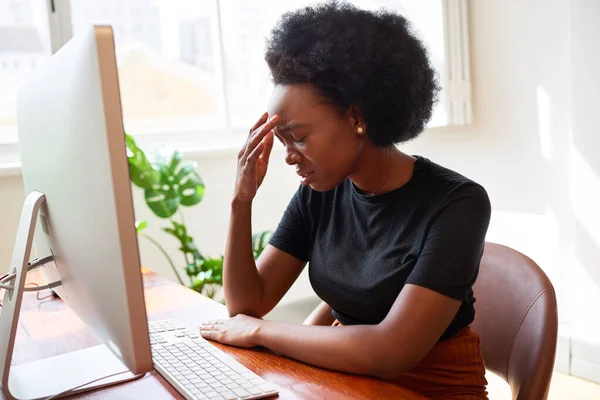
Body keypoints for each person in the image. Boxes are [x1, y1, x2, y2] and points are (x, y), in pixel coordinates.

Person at [199, 2, 490, 399]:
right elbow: (248, 305)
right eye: (281, 140)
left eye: (298, 136)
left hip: (430, 390)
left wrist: (262, 332)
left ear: (357, 117)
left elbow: (391, 352)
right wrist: (241, 200)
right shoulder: (319, 194)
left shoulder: (458, 204)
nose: (288, 156)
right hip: (345, 380)